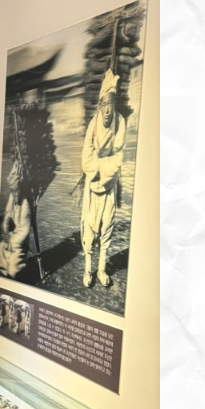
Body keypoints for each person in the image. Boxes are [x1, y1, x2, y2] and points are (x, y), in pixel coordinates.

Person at [81, 69, 125, 288]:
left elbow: (118, 157)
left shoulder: (120, 122)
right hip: (92, 185)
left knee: (107, 224)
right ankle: (88, 269)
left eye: (111, 103)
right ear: (99, 105)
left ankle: (101, 270)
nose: (107, 110)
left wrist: (105, 171)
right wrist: (99, 168)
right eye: (104, 104)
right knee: (90, 226)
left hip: (109, 185)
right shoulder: (93, 124)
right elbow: (86, 158)